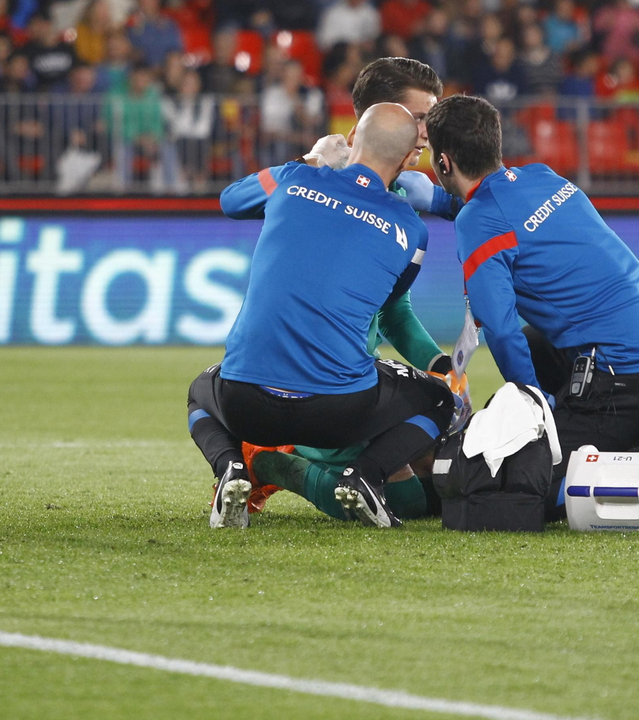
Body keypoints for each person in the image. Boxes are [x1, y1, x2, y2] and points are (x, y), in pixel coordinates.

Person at [415, 95, 639, 519]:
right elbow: (498, 210)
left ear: (443, 163)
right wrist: (439, 201)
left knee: (519, 484)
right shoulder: (542, 177)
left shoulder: (479, 222)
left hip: (631, 374)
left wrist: (533, 411)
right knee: (536, 344)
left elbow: (499, 330)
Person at [187, 103, 455, 529]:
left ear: (350, 138)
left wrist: (311, 158)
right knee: (441, 400)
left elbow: (232, 198)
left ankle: (231, 469)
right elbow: (389, 304)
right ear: (409, 160)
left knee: (202, 388)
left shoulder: (294, 179)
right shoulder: (411, 227)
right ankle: (366, 475)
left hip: (246, 404)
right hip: (340, 410)